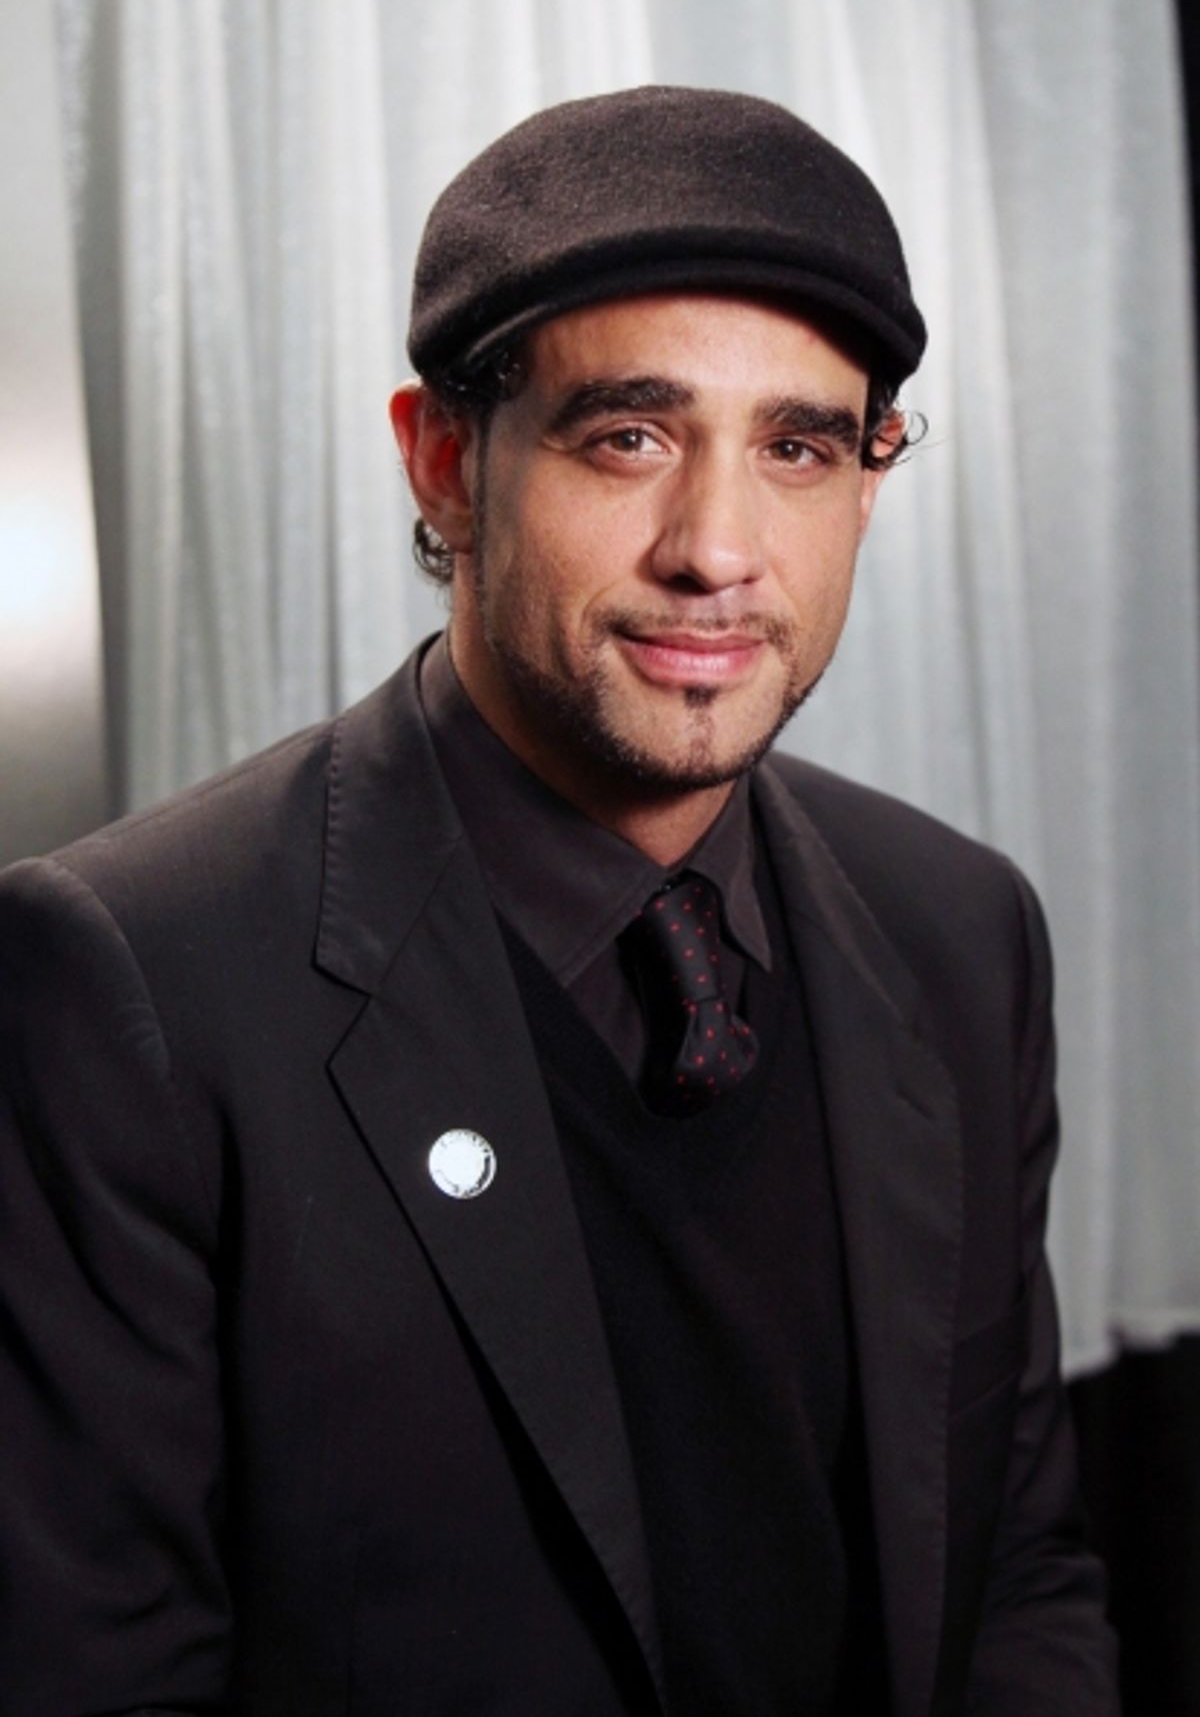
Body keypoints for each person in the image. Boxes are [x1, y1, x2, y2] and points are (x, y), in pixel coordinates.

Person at [0, 86, 1118, 1715]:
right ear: (446, 462)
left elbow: (1018, 1565)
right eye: (631, 436)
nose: (718, 548)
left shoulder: (960, 929)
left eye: (799, 447)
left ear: (869, 482)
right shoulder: (129, 982)